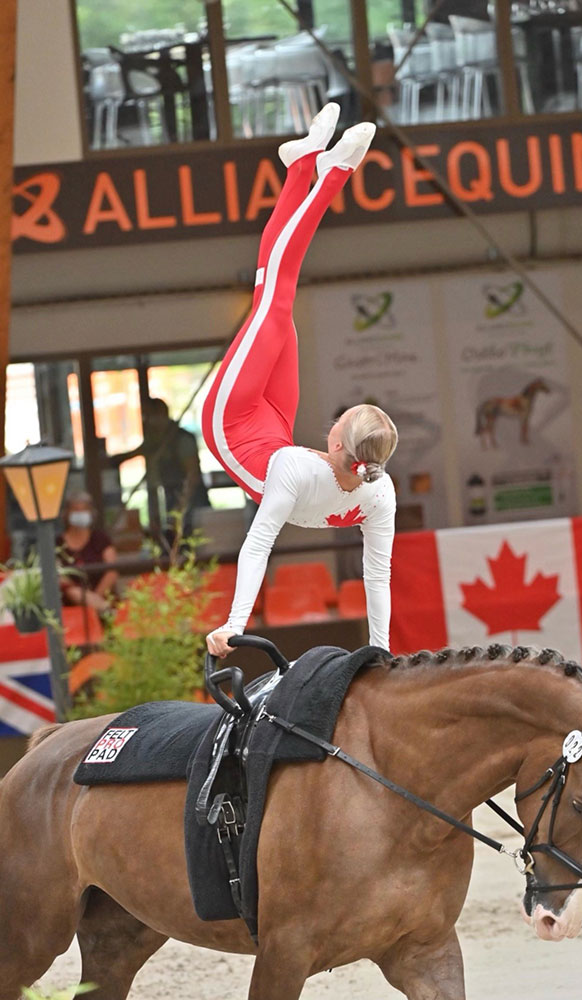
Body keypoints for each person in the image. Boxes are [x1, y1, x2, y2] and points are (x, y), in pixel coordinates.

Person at [202, 104, 398, 656]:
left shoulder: (297, 467)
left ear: (336, 440)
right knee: (274, 288)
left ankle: (329, 171)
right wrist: (380, 652)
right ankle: (298, 163)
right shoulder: (378, 491)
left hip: (232, 424)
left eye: (337, 421)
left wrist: (234, 623)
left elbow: (258, 544)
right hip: (274, 426)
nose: (332, 421)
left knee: (278, 291)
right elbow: (376, 576)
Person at [111, 397, 211, 539]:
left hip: (191, 503)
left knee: (193, 540)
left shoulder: (182, 439)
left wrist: (181, 506)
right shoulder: (155, 440)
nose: (146, 421)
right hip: (169, 500)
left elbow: (192, 475)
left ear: (160, 415)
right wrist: (110, 461)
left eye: (149, 416)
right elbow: (136, 452)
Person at [57, 492, 118, 615]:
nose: (80, 514)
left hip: (102, 598)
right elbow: (58, 576)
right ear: (67, 513)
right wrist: (84, 597)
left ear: (91, 513)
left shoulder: (101, 539)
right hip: (72, 604)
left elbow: (112, 571)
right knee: (73, 591)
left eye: (84, 509)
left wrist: (94, 598)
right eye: (76, 509)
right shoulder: (58, 543)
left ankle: (102, 609)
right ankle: (104, 610)